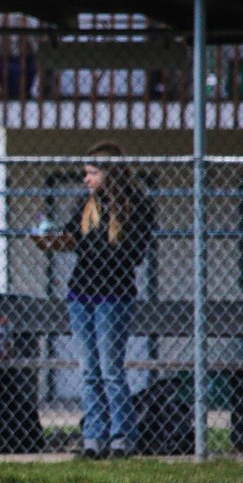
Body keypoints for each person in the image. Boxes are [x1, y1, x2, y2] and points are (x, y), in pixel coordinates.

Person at [32, 141, 153, 459]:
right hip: (81, 295)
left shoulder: (137, 206)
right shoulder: (87, 204)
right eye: (85, 172)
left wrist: (89, 247)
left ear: (110, 173)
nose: (86, 179)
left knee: (110, 369)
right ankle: (93, 439)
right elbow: (74, 238)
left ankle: (122, 436)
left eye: (92, 172)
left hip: (113, 296)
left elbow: (133, 254)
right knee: (89, 371)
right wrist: (51, 241)